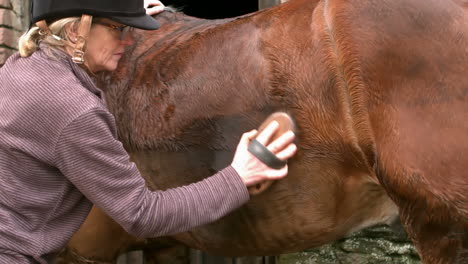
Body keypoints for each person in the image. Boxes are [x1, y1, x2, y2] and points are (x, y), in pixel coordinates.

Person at [0, 0, 297, 263]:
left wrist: (123, 10)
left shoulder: (17, 70)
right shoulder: (73, 111)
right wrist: (238, 177)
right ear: (77, 30)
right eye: (118, 28)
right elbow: (142, 214)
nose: (128, 41)